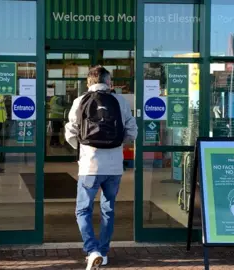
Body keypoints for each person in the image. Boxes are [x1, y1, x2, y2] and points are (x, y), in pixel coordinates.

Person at [65, 66, 137, 269]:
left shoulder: (80, 102)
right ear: (109, 82)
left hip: (89, 166)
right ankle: (103, 253)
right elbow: (132, 131)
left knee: (82, 210)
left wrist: (83, 149)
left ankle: (91, 250)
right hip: (114, 167)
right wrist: (117, 144)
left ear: (89, 82)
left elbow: (70, 132)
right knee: (108, 209)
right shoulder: (120, 101)